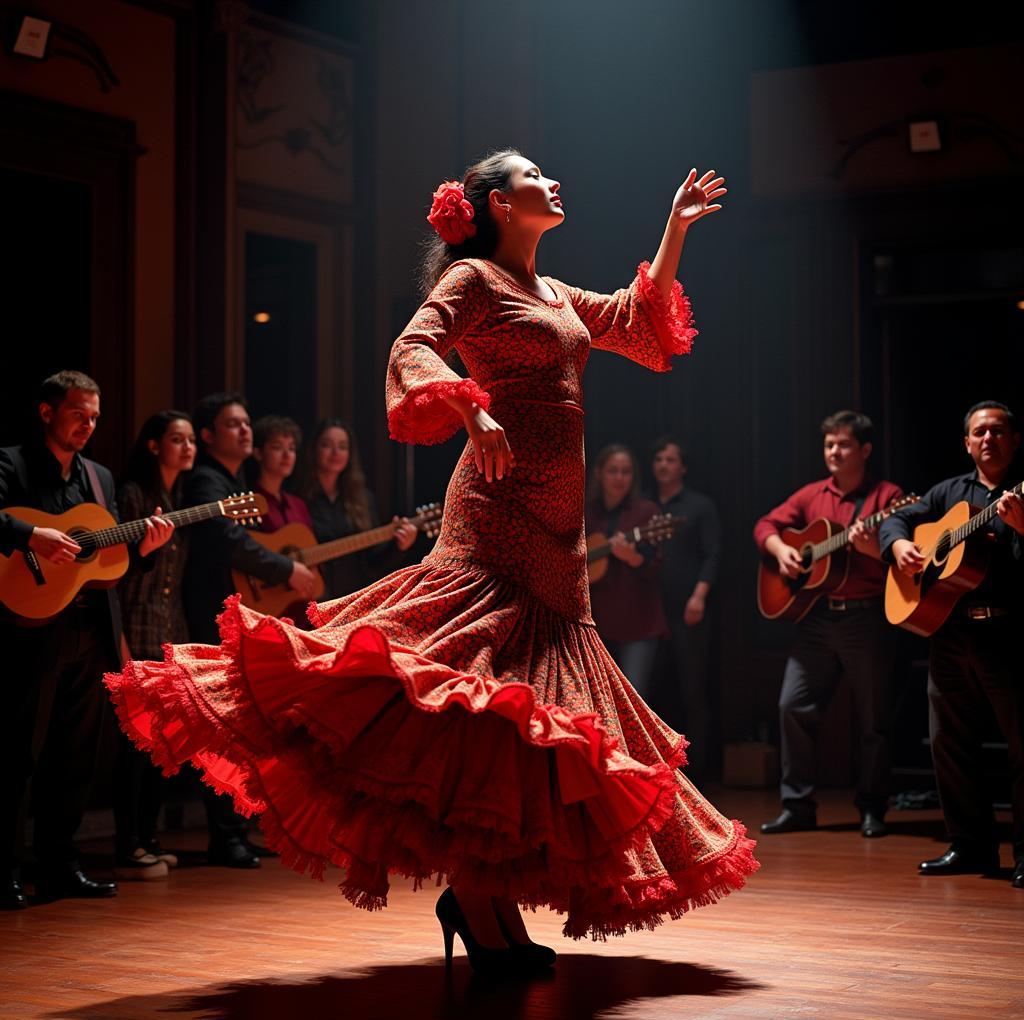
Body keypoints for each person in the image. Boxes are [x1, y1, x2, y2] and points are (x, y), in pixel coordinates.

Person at [108, 150, 756, 966]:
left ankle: (484, 901)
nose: (553, 181)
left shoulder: (554, 294)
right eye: (532, 175)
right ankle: (483, 912)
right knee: (483, 705)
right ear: (493, 204)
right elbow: (413, 347)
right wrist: (469, 409)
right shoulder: (476, 282)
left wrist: (674, 229)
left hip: (557, 535)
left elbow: (636, 318)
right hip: (494, 515)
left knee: (520, 725)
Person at [0, 372, 173, 910]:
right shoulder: (11, 463)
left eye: (95, 417)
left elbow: (108, 558)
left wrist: (145, 546)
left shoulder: (98, 478)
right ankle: (3, 870)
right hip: (29, 628)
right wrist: (31, 535)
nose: (88, 425)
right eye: (78, 413)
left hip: (89, 629)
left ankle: (60, 866)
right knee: (16, 754)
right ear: (48, 412)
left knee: (74, 754)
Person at [878, 401, 1024, 887]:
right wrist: (898, 546)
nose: (988, 439)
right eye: (980, 432)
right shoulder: (948, 493)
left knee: (1021, 749)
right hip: (949, 632)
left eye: (998, 431)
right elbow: (895, 522)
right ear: (967, 443)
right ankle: (970, 845)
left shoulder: (1019, 495)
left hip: (1009, 635)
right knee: (950, 744)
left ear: (1015, 440)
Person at [181, 393, 318, 868]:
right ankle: (226, 834)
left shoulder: (234, 480)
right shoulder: (204, 480)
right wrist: (285, 568)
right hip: (207, 612)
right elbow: (227, 541)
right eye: (234, 424)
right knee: (221, 725)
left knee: (240, 728)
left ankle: (235, 829)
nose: (245, 431)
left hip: (231, 611)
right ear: (207, 435)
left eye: (246, 424)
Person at [754, 410, 902, 839]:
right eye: (829, 445)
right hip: (816, 620)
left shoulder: (889, 497)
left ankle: (873, 807)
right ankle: (797, 806)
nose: (834, 452)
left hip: (865, 618)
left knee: (873, 719)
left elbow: (901, 556)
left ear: (865, 450)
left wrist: (873, 548)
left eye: (844, 445)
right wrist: (782, 550)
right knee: (790, 707)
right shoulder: (811, 495)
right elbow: (764, 525)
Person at [113, 410, 196, 881]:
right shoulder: (132, 495)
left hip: (169, 628)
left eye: (190, 440)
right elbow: (116, 573)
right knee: (133, 744)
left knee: (161, 743)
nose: (186, 447)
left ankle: (148, 838)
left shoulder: (177, 497)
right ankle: (129, 844)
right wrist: (119, 637)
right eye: (176, 439)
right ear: (153, 445)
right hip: (135, 627)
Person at [650, 437, 721, 780]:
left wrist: (699, 597)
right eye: (659, 459)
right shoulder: (644, 505)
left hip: (687, 609)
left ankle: (701, 774)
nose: (664, 464)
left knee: (692, 689)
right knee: (653, 689)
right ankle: (660, 769)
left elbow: (712, 555)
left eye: (671, 459)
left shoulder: (699, 505)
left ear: (683, 467)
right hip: (650, 611)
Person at [295, 418, 417, 600]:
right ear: (314, 449)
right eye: (327, 445)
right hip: (309, 600)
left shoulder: (363, 500)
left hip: (353, 599)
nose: (336, 452)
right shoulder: (297, 498)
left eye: (343, 446)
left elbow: (374, 563)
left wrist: (399, 546)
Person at [585, 444, 667, 700]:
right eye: (613, 471)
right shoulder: (585, 512)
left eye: (626, 472)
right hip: (594, 626)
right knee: (596, 702)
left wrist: (634, 558)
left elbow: (656, 569)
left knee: (633, 701)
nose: (619, 478)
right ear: (599, 474)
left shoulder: (646, 513)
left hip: (637, 623)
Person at [251, 415, 317, 625]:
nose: (287, 455)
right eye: (277, 447)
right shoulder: (247, 502)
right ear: (258, 453)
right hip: (263, 607)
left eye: (292, 448)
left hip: (298, 607)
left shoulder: (299, 504)